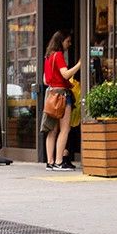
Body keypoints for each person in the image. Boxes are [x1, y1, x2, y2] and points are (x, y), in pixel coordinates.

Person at [41, 30, 82, 171]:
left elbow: (45, 80)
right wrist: (79, 65)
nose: (69, 44)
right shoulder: (58, 55)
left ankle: (50, 162)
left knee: (52, 130)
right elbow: (65, 74)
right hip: (62, 95)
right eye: (67, 41)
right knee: (65, 129)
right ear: (61, 41)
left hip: (51, 94)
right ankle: (59, 161)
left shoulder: (48, 56)